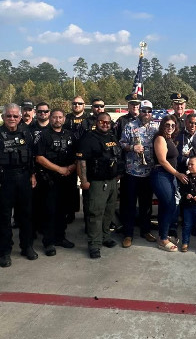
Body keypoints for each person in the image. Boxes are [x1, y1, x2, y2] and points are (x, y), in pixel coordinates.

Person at [0, 103, 38, 267]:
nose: (12, 119)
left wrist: (33, 175)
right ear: (3, 117)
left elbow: (31, 156)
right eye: (8, 116)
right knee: (3, 218)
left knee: (26, 216)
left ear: (20, 117)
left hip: (24, 178)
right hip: (3, 180)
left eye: (15, 116)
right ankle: (4, 252)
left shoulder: (26, 132)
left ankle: (27, 247)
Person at [77, 111, 123, 259]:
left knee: (109, 212)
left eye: (108, 122)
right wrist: (83, 181)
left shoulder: (111, 136)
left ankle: (105, 237)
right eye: (102, 122)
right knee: (95, 213)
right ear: (96, 122)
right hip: (96, 182)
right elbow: (82, 161)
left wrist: (118, 175)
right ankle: (94, 244)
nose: (105, 124)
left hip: (112, 181)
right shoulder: (88, 138)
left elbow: (117, 156)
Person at [35, 109, 78, 256]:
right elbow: (39, 157)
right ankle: (48, 242)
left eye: (60, 117)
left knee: (63, 210)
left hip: (67, 179)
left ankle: (61, 237)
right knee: (49, 211)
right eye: (54, 117)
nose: (57, 120)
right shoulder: (44, 136)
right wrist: (59, 169)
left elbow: (77, 155)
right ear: (50, 118)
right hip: (49, 180)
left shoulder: (70, 135)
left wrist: (71, 167)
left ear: (64, 119)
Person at [119, 99, 159, 247]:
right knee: (129, 205)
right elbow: (121, 143)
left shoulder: (156, 128)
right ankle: (128, 234)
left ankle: (145, 231)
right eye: (143, 110)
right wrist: (131, 147)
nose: (146, 113)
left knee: (146, 205)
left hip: (148, 173)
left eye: (149, 111)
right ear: (139, 111)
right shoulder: (130, 126)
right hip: (132, 173)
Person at [151, 115, 189, 252]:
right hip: (160, 174)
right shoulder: (160, 138)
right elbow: (162, 161)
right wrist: (177, 174)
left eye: (173, 125)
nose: (170, 127)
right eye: (167, 125)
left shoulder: (170, 139)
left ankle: (163, 235)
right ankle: (163, 239)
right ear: (162, 125)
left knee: (166, 206)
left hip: (169, 176)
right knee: (169, 204)